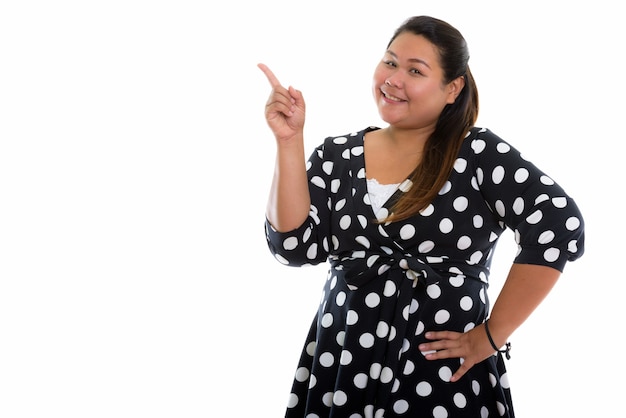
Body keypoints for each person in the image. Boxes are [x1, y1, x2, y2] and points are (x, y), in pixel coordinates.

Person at [258, 15, 585, 418]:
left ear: (452, 88)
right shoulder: (336, 155)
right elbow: (293, 246)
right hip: (343, 361)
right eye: (391, 62)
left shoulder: (476, 153)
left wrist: (491, 335)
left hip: (439, 373)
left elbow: (559, 225)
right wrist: (289, 141)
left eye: (415, 70)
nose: (394, 79)